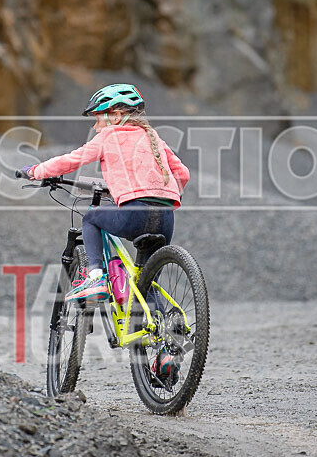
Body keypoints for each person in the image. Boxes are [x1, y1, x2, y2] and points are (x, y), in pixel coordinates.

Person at [20, 83, 190, 305]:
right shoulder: (152, 136)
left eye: (99, 116)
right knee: (147, 286)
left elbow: (71, 160)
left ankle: (95, 278)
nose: (95, 124)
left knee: (91, 218)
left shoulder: (109, 136)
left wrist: (36, 171)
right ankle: (165, 333)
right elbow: (182, 173)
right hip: (166, 217)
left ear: (117, 115)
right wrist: (160, 191)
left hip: (135, 214)